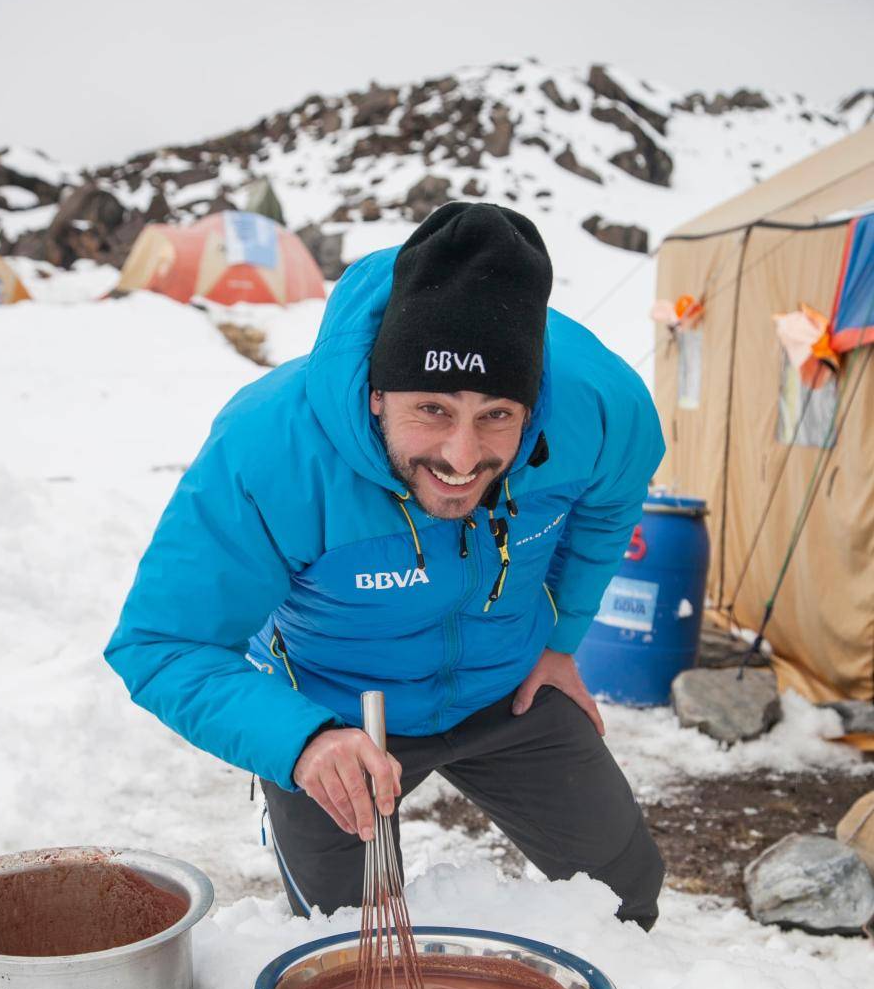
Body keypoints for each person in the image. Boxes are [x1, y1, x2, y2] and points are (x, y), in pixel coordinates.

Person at [105, 202, 666, 929]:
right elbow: (160, 642)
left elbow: (609, 506)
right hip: (337, 708)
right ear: (376, 394)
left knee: (628, 893)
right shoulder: (270, 447)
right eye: (431, 409)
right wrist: (301, 741)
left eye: (496, 415)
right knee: (348, 938)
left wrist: (562, 644)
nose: (463, 459)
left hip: (509, 683)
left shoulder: (600, 406)